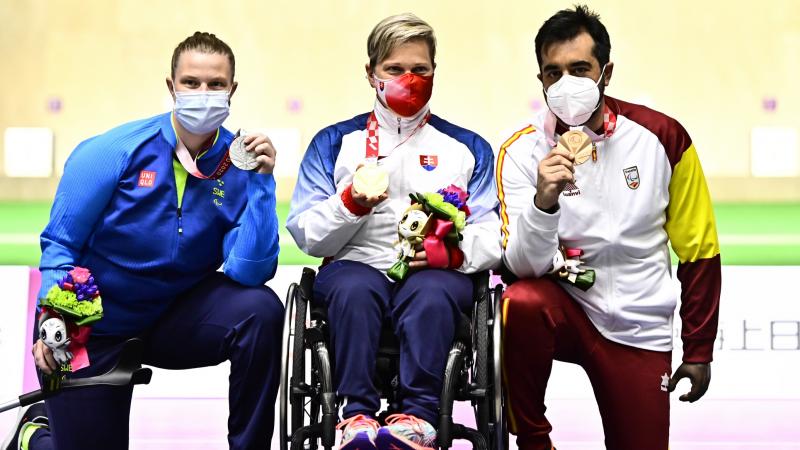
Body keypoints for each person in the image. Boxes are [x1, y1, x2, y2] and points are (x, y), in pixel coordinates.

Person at [3, 32, 283, 450]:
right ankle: (36, 434)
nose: (203, 93)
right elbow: (60, 244)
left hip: (175, 318)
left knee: (260, 309)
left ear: (232, 90)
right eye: (191, 83)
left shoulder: (239, 162)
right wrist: (54, 321)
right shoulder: (111, 151)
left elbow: (249, 270)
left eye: (215, 85)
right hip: (94, 326)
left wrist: (262, 186)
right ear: (171, 87)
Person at [496, 5, 721, 450]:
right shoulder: (521, 153)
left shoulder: (663, 138)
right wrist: (545, 201)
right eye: (553, 73)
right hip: (566, 310)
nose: (566, 85)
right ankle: (535, 443)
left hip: (638, 327)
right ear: (541, 80)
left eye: (580, 69)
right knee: (520, 302)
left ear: (606, 72)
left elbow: (699, 251)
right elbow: (522, 267)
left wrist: (698, 350)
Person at [286, 13, 501, 450]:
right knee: (354, 290)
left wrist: (454, 256)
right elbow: (308, 234)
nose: (409, 79)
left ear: (434, 73)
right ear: (371, 74)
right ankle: (356, 417)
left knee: (430, 293)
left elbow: (493, 234)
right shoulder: (334, 142)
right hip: (354, 266)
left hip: (435, 274)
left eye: (420, 70)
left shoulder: (466, 148)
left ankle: (418, 420)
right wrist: (351, 204)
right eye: (395, 69)